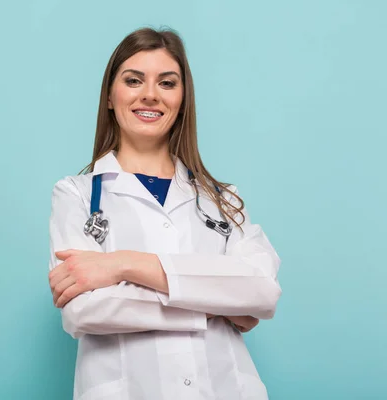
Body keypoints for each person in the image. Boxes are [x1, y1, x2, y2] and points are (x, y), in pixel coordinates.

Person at [47, 27, 282, 400]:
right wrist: (214, 303)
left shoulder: (222, 199)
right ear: (110, 95)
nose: (150, 95)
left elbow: (261, 292)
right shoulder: (75, 194)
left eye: (167, 83)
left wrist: (123, 265)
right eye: (133, 80)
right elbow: (84, 311)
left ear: (182, 98)